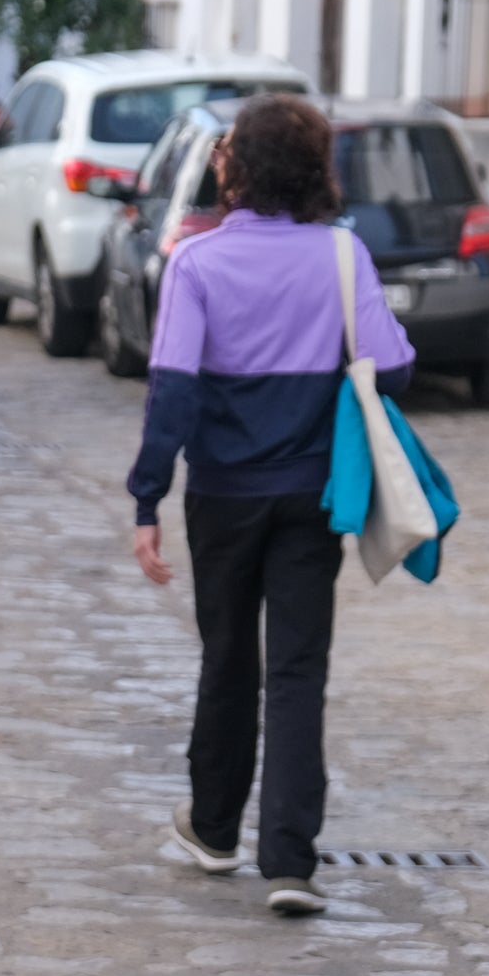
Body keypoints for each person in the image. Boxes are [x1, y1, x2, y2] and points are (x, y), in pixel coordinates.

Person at [124, 94, 412, 917]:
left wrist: (148, 498)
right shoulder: (341, 256)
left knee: (226, 660)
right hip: (312, 493)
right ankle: (289, 862)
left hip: (221, 495)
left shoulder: (197, 263)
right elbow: (390, 368)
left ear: (237, 167)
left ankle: (213, 831)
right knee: (295, 672)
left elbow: (171, 393)